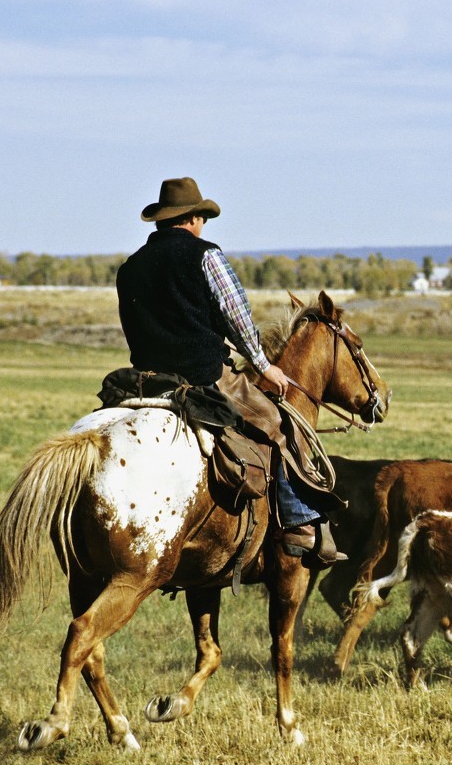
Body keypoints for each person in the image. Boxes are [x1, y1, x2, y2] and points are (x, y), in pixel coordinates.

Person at [115, 176, 345, 566]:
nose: (203, 224)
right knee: (278, 420)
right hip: (202, 374)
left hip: (146, 379)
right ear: (192, 218)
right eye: (201, 217)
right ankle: (299, 523)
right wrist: (263, 365)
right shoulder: (206, 255)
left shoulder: (130, 267)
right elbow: (236, 318)